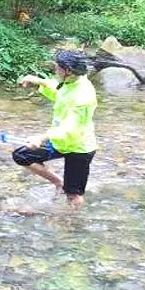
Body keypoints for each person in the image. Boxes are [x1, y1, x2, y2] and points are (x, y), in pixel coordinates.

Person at [11, 50, 98, 211]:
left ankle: (71, 222)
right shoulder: (72, 81)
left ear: (68, 71)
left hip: (79, 147)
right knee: (22, 156)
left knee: (73, 195)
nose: (55, 70)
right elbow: (59, 91)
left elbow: (70, 127)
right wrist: (39, 82)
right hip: (60, 141)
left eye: (58, 67)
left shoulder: (83, 96)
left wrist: (41, 137)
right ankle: (58, 182)